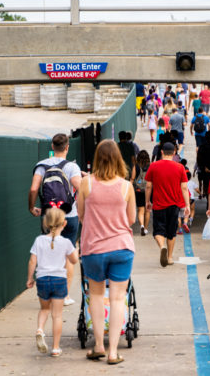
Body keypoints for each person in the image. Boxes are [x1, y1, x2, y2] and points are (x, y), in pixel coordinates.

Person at [77, 139, 136, 365]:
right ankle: (113, 352)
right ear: (118, 158)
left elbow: (81, 215)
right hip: (121, 247)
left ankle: (99, 345)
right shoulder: (126, 186)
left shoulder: (86, 183)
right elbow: (131, 219)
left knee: (96, 295)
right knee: (118, 298)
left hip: (93, 248)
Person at [29, 133, 82, 306]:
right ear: (67, 147)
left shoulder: (41, 166)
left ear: (52, 147)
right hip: (70, 215)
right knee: (68, 254)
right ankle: (64, 296)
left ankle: (48, 293)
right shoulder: (72, 167)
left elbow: (34, 188)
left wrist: (31, 207)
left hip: (49, 215)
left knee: (48, 251)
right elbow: (80, 188)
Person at [27, 207, 79, 357]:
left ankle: (40, 330)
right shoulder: (66, 242)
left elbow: (32, 261)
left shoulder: (39, 240)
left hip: (42, 279)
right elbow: (74, 260)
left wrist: (30, 278)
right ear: (64, 223)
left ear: (45, 223)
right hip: (59, 281)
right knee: (57, 315)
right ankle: (55, 348)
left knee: (44, 309)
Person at [145, 142, 190, 267]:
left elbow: (148, 186)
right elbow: (184, 188)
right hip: (174, 205)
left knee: (158, 231)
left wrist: (148, 201)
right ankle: (170, 257)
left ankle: (162, 246)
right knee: (171, 232)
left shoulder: (153, 166)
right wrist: (187, 205)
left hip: (159, 204)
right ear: (174, 152)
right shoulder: (180, 167)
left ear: (162, 152)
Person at [132, 150, 151, 236]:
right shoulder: (150, 166)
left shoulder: (135, 166)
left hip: (138, 191)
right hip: (148, 190)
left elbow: (132, 178)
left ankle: (142, 226)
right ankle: (146, 229)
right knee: (147, 211)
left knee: (140, 210)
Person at [196, 131, 210, 200]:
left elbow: (198, 159)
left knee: (206, 184)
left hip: (204, 169)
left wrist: (201, 167)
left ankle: (207, 197)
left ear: (205, 137)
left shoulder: (201, 147)